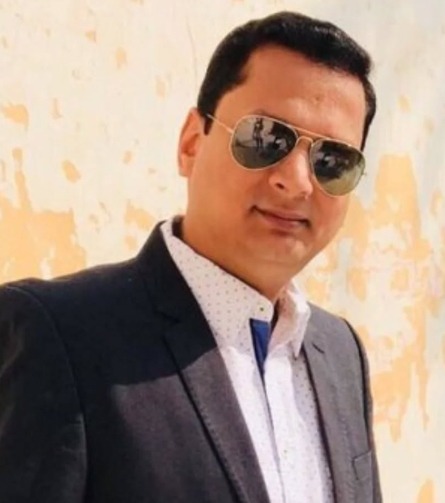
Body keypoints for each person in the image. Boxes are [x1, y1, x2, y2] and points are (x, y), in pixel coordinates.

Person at [0, 11, 382, 503]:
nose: (296, 181)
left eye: (333, 160)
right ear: (190, 144)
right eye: (265, 137)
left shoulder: (340, 353)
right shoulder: (59, 336)